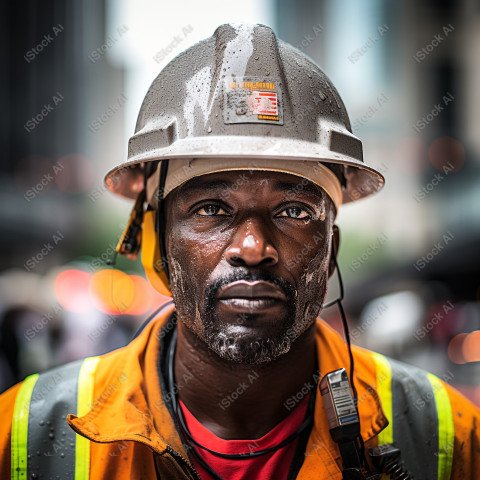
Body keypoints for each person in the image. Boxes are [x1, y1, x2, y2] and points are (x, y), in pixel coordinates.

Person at [0, 23, 478, 480]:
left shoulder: (448, 432)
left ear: (330, 247)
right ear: (157, 241)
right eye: (211, 208)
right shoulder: (22, 430)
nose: (253, 248)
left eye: (293, 211)